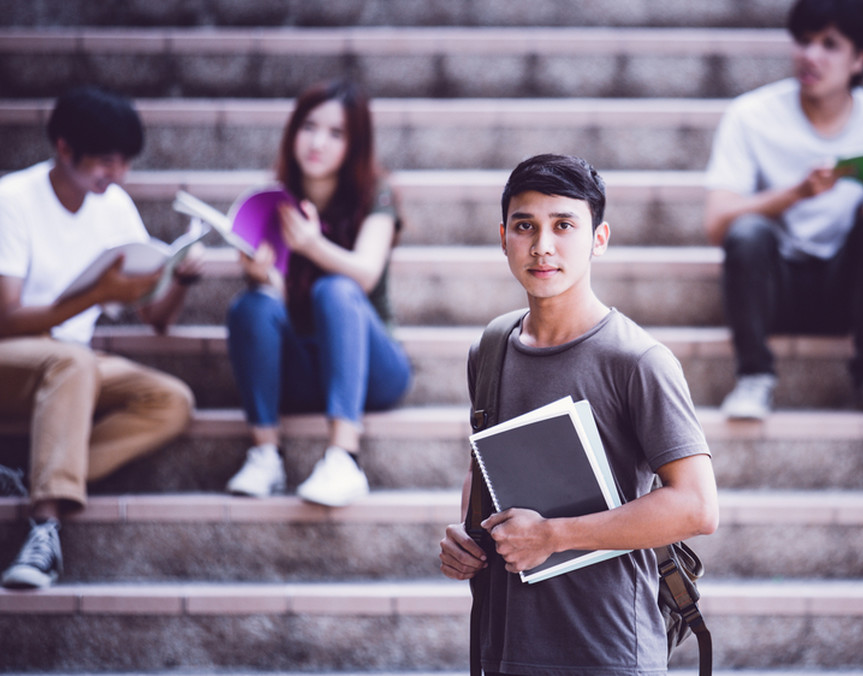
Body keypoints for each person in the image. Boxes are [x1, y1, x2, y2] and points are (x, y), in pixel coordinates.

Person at [438, 154, 720, 674]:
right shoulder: (492, 347)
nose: (542, 244)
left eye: (564, 225)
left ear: (599, 238)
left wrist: (554, 536)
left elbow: (697, 507)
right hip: (505, 647)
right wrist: (467, 535)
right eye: (525, 226)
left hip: (608, 648)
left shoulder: (638, 360)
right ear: (504, 237)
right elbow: (487, 470)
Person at [0, 86, 200, 589]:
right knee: (73, 360)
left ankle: (39, 473)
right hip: (17, 357)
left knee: (170, 401)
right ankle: (44, 529)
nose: (118, 175)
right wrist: (96, 296)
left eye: (125, 163)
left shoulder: (113, 207)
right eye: (106, 162)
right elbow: (7, 318)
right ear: (64, 148)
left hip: (71, 365)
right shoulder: (12, 200)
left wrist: (178, 280)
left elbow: (154, 316)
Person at [704, 0, 863, 421]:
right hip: (774, 288)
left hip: (844, 290)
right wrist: (794, 194)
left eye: (830, 44)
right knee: (747, 233)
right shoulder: (751, 115)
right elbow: (717, 224)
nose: (810, 55)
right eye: (804, 41)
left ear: (860, 59)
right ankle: (754, 376)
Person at [222, 80, 412, 507]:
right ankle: (265, 455)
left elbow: (365, 272)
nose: (317, 142)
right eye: (309, 127)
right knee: (251, 306)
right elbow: (276, 312)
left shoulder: (376, 193)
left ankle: (343, 457)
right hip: (305, 371)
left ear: (355, 143)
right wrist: (262, 277)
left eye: (336, 133)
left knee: (337, 290)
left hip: (374, 371)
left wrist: (311, 245)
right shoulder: (273, 201)